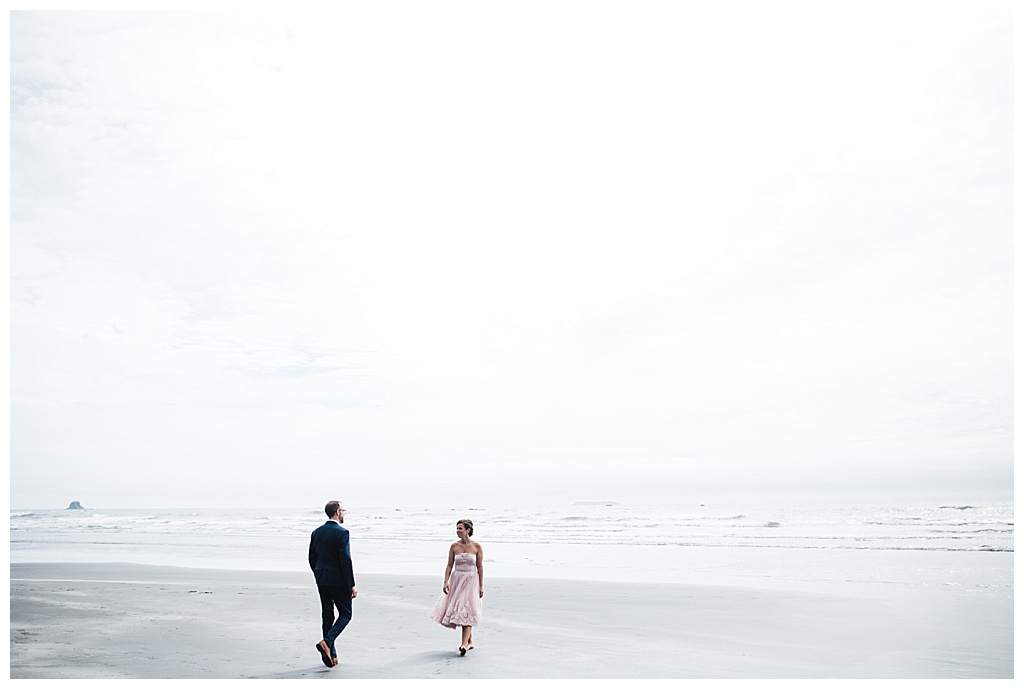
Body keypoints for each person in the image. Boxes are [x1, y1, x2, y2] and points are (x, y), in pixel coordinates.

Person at [308, 500, 357, 668]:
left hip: (322, 578)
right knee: (346, 614)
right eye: (343, 510)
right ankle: (327, 642)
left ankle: (332, 655)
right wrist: (351, 584)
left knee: (327, 615)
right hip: (338, 580)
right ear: (337, 512)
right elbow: (346, 560)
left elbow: (312, 558)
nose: (344, 513)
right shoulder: (342, 533)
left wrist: (318, 573)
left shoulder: (316, 532)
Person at [429, 518, 484, 656]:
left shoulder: (477, 546)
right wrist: (445, 581)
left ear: (468, 530)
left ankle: (464, 645)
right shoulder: (454, 546)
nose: (457, 531)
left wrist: (481, 586)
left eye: (460, 528)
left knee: (467, 610)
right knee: (460, 609)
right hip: (457, 580)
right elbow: (449, 565)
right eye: (457, 528)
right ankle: (470, 642)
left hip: (471, 581)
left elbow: (480, 567)